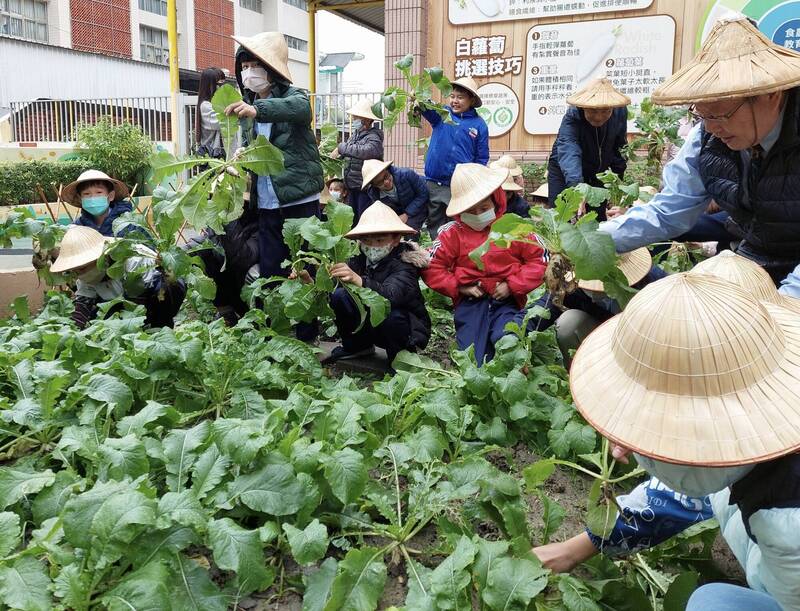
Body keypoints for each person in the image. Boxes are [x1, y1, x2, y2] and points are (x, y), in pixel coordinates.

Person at [543, 272, 800, 610]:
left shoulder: (787, 527)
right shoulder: (750, 441)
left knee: (711, 604)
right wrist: (579, 546)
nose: (633, 447)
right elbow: (691, 490)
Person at [600, 16, 800, 291]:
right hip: (753, 262)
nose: (711, 128)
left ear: (771, 93)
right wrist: (592, 240)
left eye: (720, 114)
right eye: (701, 114)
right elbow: (667, 213)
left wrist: (783, 306)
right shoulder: (706, 139)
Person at [224, 31, 324, 341]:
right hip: (268, 200)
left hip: (297, 198)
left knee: (303, 265)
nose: (247, 72)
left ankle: (307, 331)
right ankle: (274, 329)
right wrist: (242, 154)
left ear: (271, 69)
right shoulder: (247, 109)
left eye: (255, 65)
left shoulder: (293, 96)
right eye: (244, 66)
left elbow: (300, 110)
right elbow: (256, 149)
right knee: (270, 270)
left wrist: (257, 110)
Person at [421, 163, 547, 364]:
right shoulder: (451, 233)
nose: (479, 214)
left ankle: (517, 358)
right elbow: (431, 266)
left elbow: (540, 259)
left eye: (484, 208)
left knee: (506, 341)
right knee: (475, 358)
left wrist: (512, 284)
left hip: (507, 301)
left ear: (496, 202)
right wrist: (459, 287)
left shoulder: (513, 227)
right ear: (460, 211)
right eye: (471, 211)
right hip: (471, 302)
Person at [320, 202, 432, 366]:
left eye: (379, 240)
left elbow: (392, 295)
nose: (372, 246)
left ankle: (401, 360)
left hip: (403, 328)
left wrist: (359, 280)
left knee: (391, 313)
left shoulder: (406, 262)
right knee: (340, 296)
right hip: (370, 324)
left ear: (395, 239)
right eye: (366, 240)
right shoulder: (358, 258)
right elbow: (337, 286)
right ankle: (357, 346)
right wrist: (314, 280)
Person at [51, 225, 185, 329]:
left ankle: (160, 328)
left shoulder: (131, 259)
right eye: (74, 270)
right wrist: (71, 332)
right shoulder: (85, 277)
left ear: (100, 257)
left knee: (166, 292)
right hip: (122, 302)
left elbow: (137, 303)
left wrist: (132, 329)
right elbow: (83, 305)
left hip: (153, 295)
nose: (79, 274)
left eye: (81, 268)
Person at [547, 78, 629, 220]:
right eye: (592, 111)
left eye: (605, 111)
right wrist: (577, 188)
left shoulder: (620, 112)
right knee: (564, 216)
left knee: (596, 218)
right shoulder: (572, 116)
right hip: (565, 171)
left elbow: (619, 147)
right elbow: (569, 150)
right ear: (583, 107)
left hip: (598, 171)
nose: (598, 117)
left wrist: (617, 183)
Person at [421, 76, 490, 238]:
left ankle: (456, 253)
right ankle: (436, 252)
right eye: (452, 96)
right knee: (434, 221)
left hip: (458, 184)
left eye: (460, 97)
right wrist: (417, 99)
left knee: (458, 221)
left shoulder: (479, 125)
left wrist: (474, 181)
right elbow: (426, 108)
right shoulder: (443, 114)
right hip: (434, 180)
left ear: (471, 100)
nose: (455, 101)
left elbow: (481, 157)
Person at [330, 99, 384, 222]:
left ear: (366, 119)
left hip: (365, 188)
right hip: (352, 186)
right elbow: (350, 152)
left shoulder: (374, 137)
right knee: (353, 221)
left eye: (356, 117)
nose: (354, 119)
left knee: (364, 220)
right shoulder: (355, 135)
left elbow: (367, 151)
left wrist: (341, 148)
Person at [361, 159, 429, 231]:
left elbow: (423, 194)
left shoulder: (406, 174)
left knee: (409, 229)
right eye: (380, 182)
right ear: (374, 185)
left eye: (386, 176)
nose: (386, 182)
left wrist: (407, 214)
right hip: (399, 213)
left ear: (388, 169)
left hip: (419, 206)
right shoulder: (374, 194)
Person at [63, 170, 133, 237]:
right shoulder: (78, 227)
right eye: (86, 194)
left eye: (99, 192)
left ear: (111, 196)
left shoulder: (128, 224)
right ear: (80, 199)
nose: (93, 198)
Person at [196, 67, 227, 159]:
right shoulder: (205, 106)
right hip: (213, 157)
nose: (222, 87)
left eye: (224, 83)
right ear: (209, 86)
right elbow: (223, 122)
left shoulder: (217, 103)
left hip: (220, 155)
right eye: (219, 84)